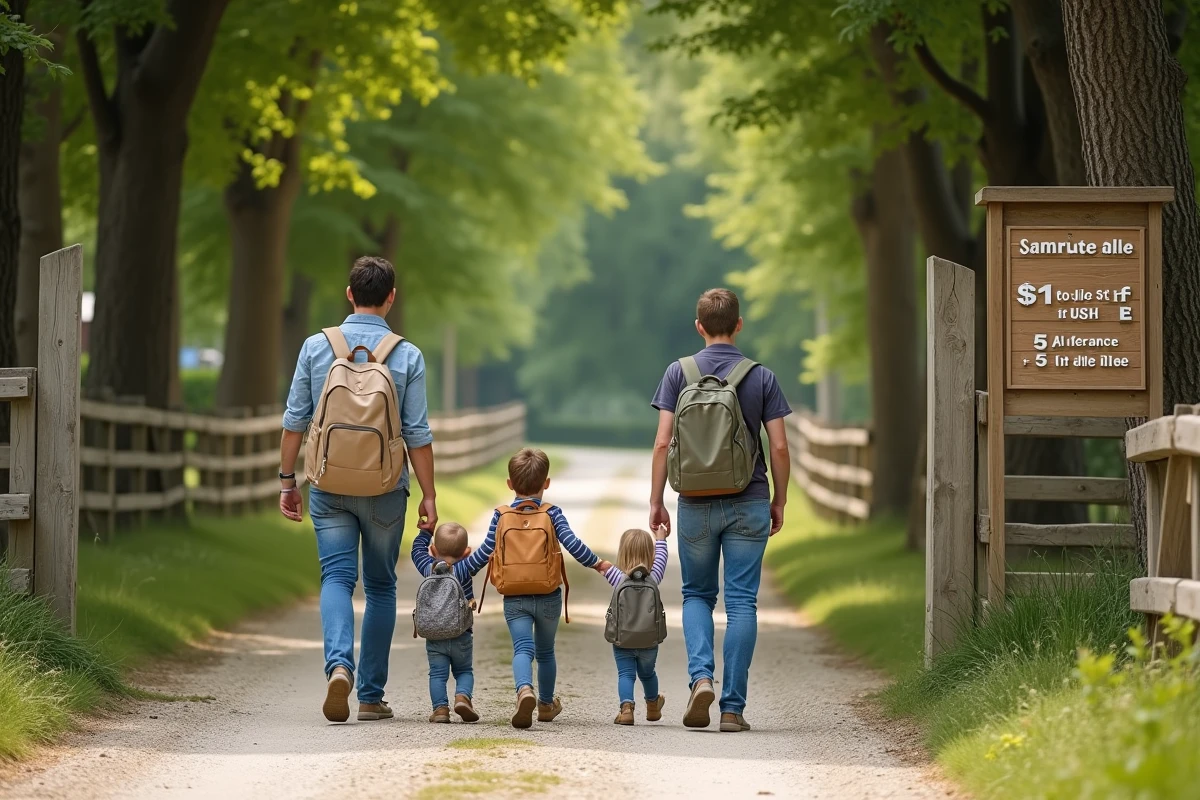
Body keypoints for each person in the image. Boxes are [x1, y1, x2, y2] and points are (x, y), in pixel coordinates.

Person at [278, 255, 437, 723]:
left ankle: (338, 666)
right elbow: (418, 434)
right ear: (391, 298)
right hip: (386, 489)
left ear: (349, 294)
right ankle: (370, 696)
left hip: (328, 484)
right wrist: (428, 495)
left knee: (336, 578)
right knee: (383, 586)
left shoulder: (315, 347)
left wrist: (289, 481)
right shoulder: (406, 355)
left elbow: (295, 422)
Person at [649, 287, 791, 733]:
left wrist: (656, 500)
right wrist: (779, 499)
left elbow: (661, 443)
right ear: (739, 325)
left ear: (699, 327)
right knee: (742, 602)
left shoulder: (678, 373)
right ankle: (732, 709)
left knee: (696, 595)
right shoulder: (761, 377)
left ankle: (700, 679)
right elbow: (781, 446)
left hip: (694, 502)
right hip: (748, 499)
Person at [478, 447, 611, 728]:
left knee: (522, 649)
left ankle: (524, 690)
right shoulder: (552, 514)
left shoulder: (500, 516)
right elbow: (573, 544)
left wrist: (458, 571)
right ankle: (546, 705)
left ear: (510, 484)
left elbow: (484, 553)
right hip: (549, 594)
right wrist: (598, 564)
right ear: (546, 483)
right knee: (546, 651)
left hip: (514, 596)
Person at [410, 521, 494, 724]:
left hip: (435, 635)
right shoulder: (466, 567)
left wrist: (426, 531)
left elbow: (416, 550)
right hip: (461, 634)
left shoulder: (428, 568)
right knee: (464, 670)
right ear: (466, 552)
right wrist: (496, 524)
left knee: (437, 674)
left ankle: (440, 710)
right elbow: (487, 549)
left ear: (433, 550)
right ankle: (462, 697)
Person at [602, 526, 669, 725]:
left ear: (622, 552)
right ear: (650, 554)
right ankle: (652, 707)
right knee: (648, 673)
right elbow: (662, 558)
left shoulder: (617, 577)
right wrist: (661, 538)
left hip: (623, 639)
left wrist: (600, 564)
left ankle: (626, 710)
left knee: (626, 674)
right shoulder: (654, 577)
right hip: (649, 639)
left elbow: (598, 564)